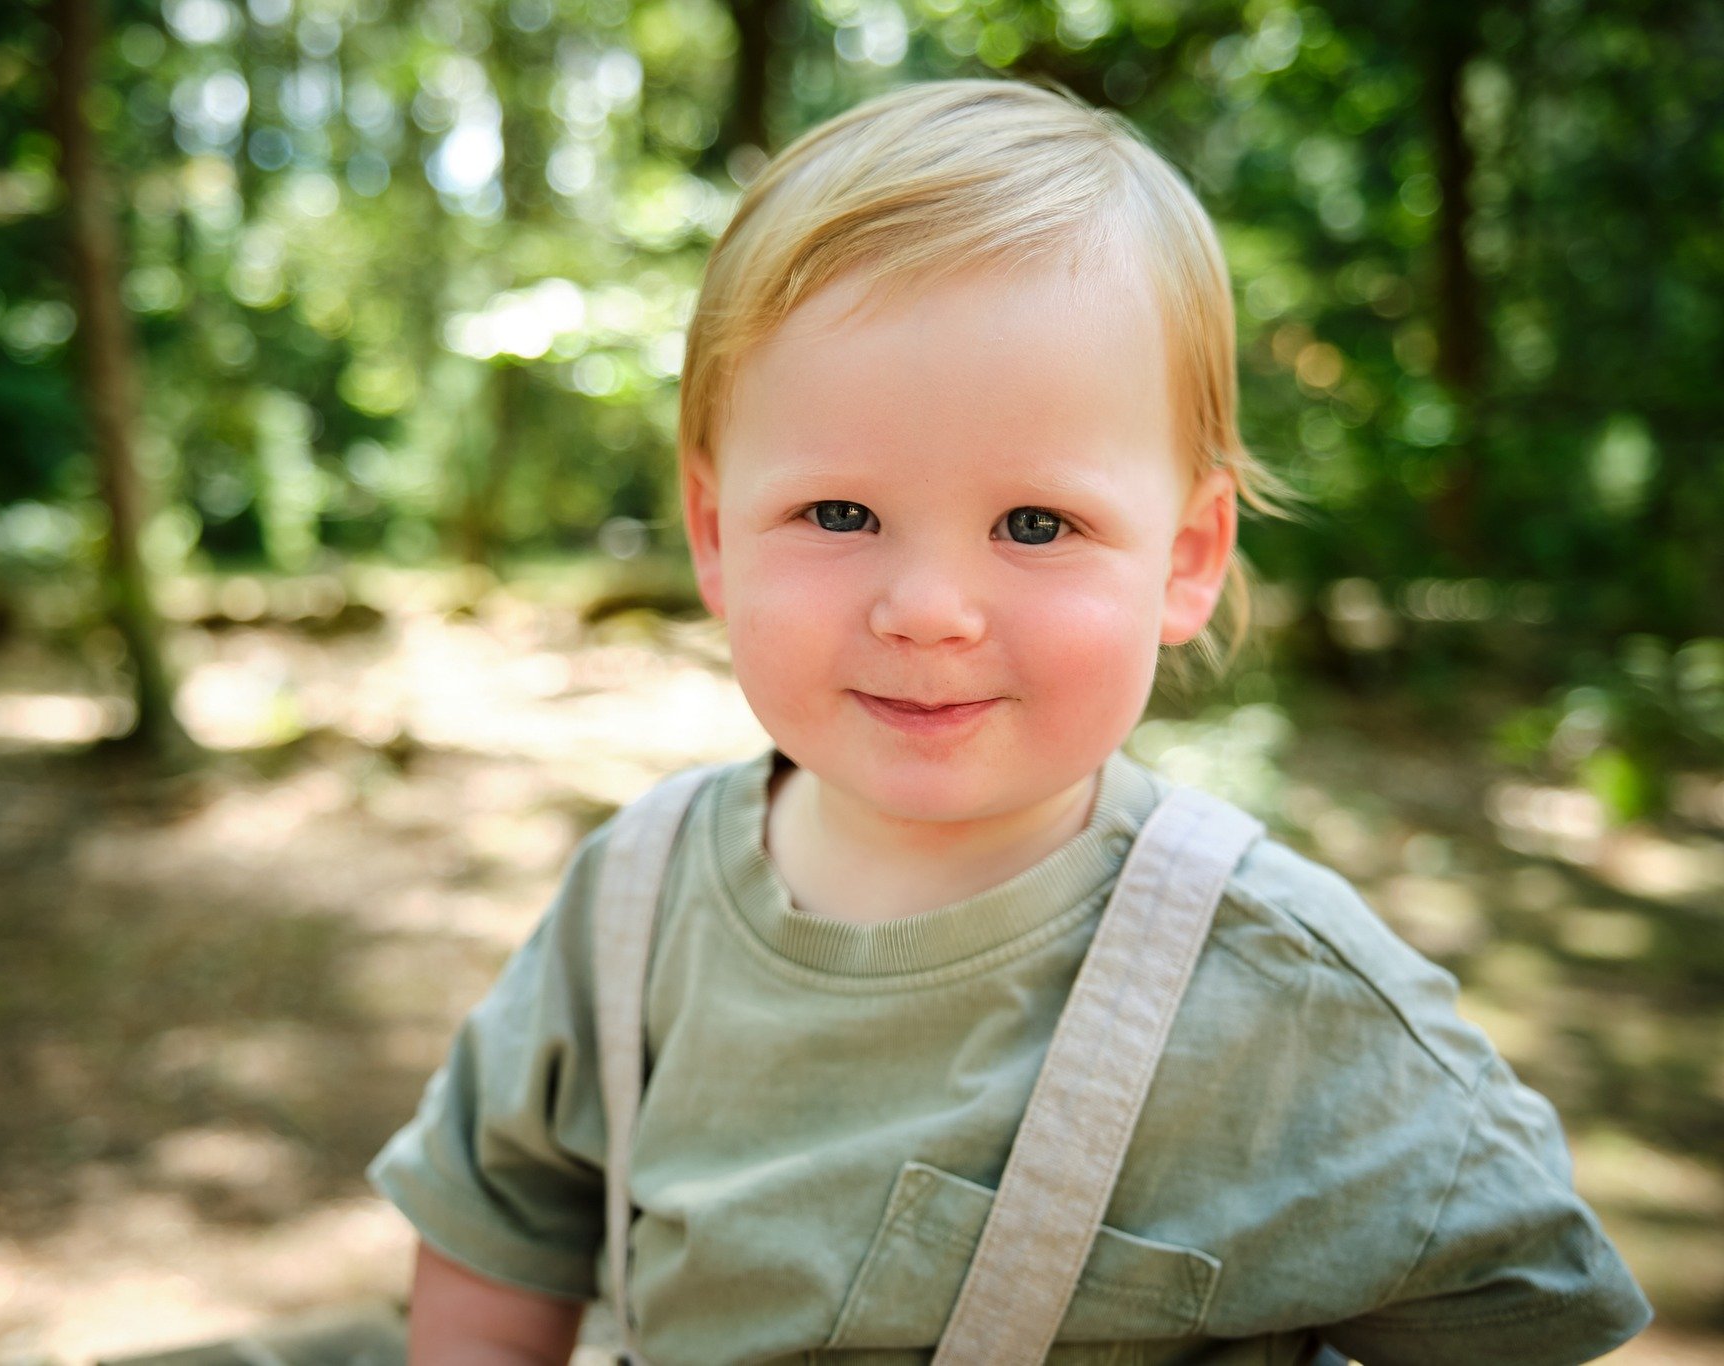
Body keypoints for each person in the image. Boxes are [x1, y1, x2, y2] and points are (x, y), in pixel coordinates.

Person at [366, 78, 1653, 1363]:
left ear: (1186, 557)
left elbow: (1524, 1311)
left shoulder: (1286, 995)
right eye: (838, 515)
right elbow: (496, 1234)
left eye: (1035, 525)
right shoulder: (630, 907)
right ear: (712, 535)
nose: (927, 610)